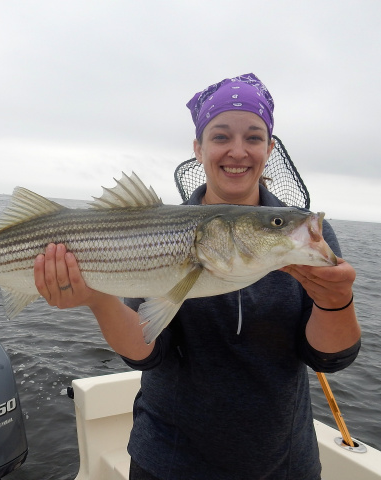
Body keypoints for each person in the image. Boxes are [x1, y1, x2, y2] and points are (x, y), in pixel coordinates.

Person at [33, 73, 361, 480]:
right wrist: (98, 299)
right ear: (199, 148)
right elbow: (149, 353)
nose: (237, 151)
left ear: (270, 148)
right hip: (169, 462)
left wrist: (336, 301)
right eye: (221, 136)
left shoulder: (306, 237)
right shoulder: (158, 231)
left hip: (283, 463)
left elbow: (330, 358)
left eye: (254, 137)